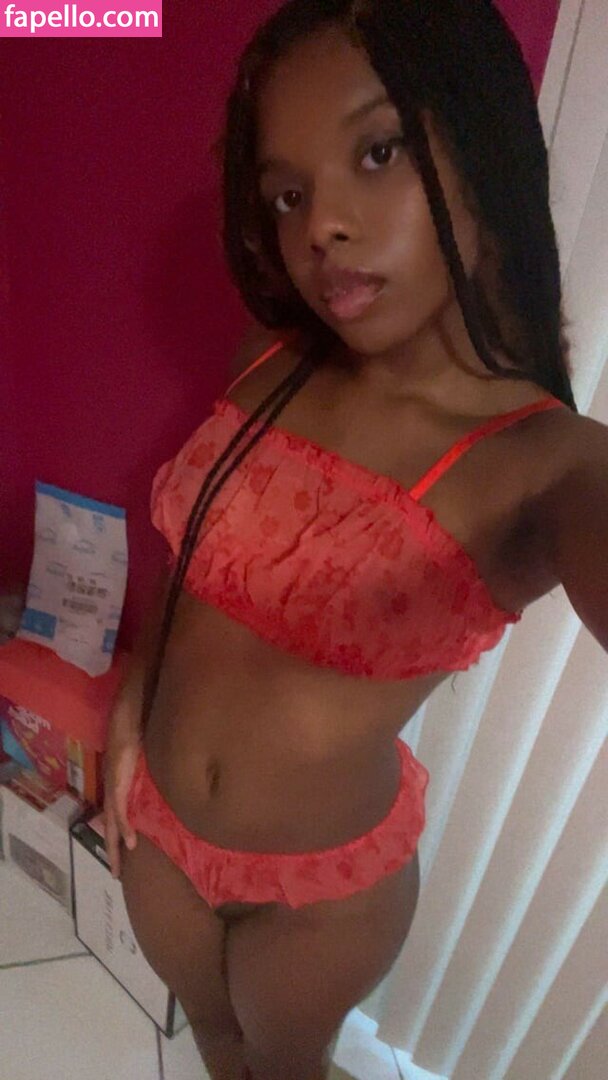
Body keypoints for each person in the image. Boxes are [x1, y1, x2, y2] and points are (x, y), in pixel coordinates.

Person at [102, 3, 608, 1079]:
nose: (320, 224)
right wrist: (128, 712)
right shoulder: (270, 355)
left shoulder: (550, 467)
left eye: (376, 151)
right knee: (214, 1047)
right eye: (287, 193)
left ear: (481, 149)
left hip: (317, 905)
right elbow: (193, 564)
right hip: (158, 834)